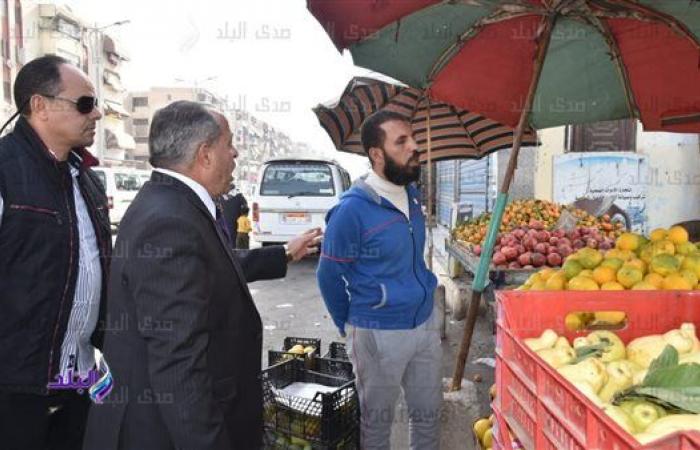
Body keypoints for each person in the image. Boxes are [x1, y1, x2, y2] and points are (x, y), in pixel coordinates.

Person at [82, 100, 321, 450]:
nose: (236, 153)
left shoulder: (172, 203)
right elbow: (178, 366)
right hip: (161, 432)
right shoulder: (170, 221)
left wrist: (282, 253)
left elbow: (208, 268)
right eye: (229, 143)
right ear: (205, 154)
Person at [0, 55, 111, 450]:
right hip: (16, 388)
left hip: (77, 380)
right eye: (84, 104)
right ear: (40, 106)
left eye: (97, 103)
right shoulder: (5, 171)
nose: (96, 113)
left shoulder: (87, 181)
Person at [317, 110, 441, 450]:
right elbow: (328, 275)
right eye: (402, 141)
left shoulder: (412, 194)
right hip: (378, 330)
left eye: (413, 137)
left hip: (424, 323)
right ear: (376, 154)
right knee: (377, 426)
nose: (415, 146)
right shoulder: (351, 211)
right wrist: (353, 326)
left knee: (428, 416)